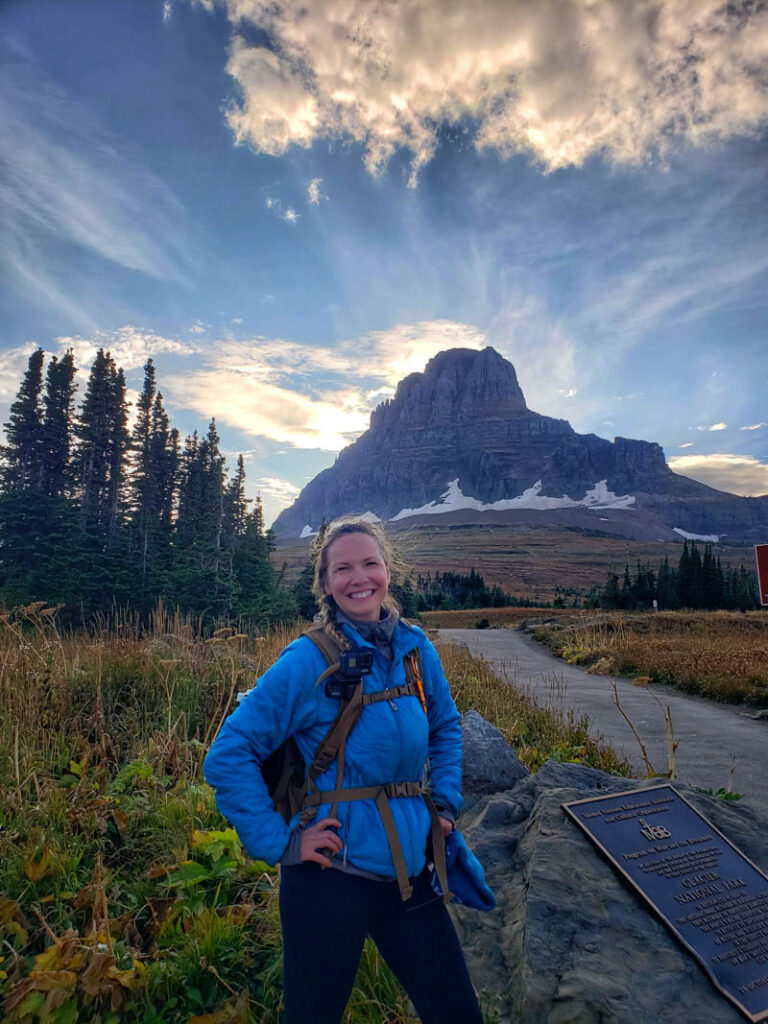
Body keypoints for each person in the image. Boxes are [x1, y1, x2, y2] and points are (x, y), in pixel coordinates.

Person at [203, 516, 483, 1024]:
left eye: (370, 563)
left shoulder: (416, 649)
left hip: (410, 869)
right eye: (344, 568)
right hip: (329, 876)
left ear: (388, 571)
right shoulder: (308, 661)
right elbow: (228, 753)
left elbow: (445, 726)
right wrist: (282, 842)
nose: (360, 578)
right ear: (327, 584)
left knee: (458, 1013)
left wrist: (443, 805)